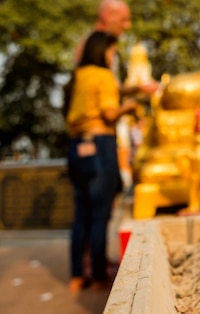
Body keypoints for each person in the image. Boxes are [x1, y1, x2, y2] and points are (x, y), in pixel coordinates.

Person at [63, 32, 138, 292]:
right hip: (100, 146)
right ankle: (98, 277)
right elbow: (108, 113)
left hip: (76, 146)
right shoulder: (103, 76)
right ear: (102, 51)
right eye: (111, 52)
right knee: (99, 216)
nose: (113, 57)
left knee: (81, 214)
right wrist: (128, 108)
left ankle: (76, 276)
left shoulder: (79, 77)